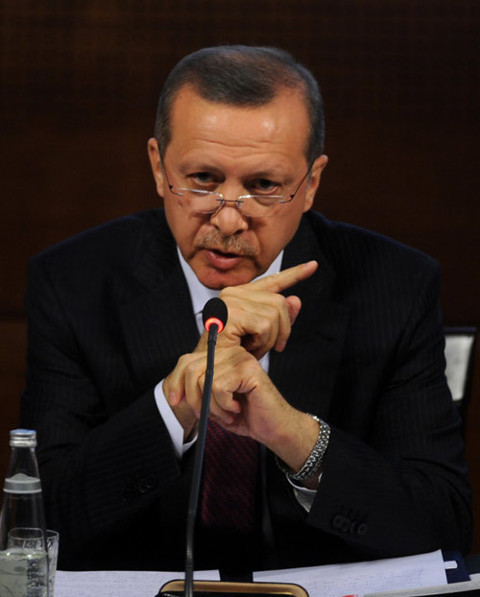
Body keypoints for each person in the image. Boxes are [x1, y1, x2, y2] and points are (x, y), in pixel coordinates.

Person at [21, 45, 472, 575]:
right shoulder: (74, 283)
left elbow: (444, 526)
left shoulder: (395, 287)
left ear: (310, 185)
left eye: (263, 186)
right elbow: (36, 525)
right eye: (203, 180)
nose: (229, 220)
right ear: (159, 167)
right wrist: (175, 406)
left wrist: (295, 437)